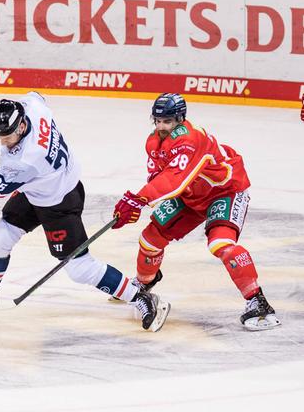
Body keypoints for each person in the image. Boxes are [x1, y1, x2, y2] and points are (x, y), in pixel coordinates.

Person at [0, 93, 169, 332]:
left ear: (22, 125)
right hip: (35, 190)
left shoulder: (28, 159)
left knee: (79, 269)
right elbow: (35, 96)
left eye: (7, 136)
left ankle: (140, 297)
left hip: (59, 201)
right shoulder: (33, 109)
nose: (4, 142)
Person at [111, 93, 280, 331]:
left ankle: (257, 301)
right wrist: (139, 201)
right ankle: (144, 283)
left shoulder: (191, 139)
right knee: (150, 239)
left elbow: (173, 180)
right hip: (190, 195)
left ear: (180, 119)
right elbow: (160, 177)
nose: (161, 127)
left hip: (224, 192)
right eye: (157, 121)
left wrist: (140, 199)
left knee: (221, 245)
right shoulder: (153, 142)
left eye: (167, 122)